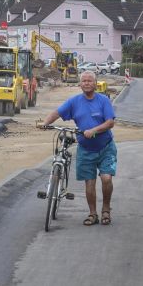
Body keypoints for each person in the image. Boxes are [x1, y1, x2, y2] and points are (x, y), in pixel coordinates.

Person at [39, 71, 116, 226]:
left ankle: (106, 209)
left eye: (90, 81)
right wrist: (45, 122)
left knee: (106, 179)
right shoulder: (74, 102)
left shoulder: (103, 100)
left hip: (105, 147)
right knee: (90, 183)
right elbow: (57, 112)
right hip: (86, 149)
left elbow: (110, 122)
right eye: (84, 81)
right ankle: (93, 214)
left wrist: (94, 130)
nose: (87, 83)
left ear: (95, 84)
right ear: (80, 84)